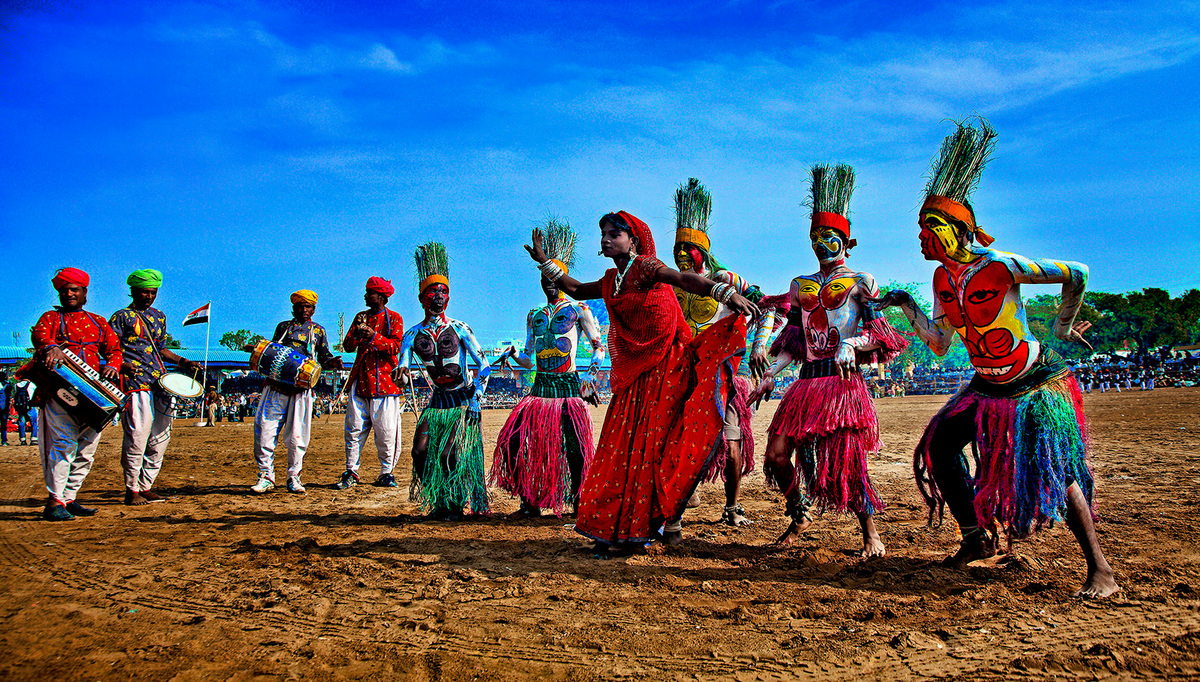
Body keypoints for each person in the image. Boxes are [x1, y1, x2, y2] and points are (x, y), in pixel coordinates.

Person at [872, 118, 1118, 598]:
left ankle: (1101, 569)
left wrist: (1063, 328)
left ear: (960, 231)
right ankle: (975, 538)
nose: (921, 237)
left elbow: (1077, 273)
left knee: (1055, 470)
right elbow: (941, 342)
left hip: (1030, 384)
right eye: (920, 228)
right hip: (985, 386)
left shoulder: (1000, 266)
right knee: (941, 447)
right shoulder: (943, 281)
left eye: (931, 227)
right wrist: (907, 305)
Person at [526, 211, 759, 551]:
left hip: (667, 370)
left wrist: (722, 292)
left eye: (614, 234)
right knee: (620, 449)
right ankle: (618, 528)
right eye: (603, 233)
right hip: (635, 377)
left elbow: (683, 280)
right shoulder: (611, 279)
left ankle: (661, 524)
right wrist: (546, 262)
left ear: (633, 240)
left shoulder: (647, 268)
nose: (606, 239)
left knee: (652, 449)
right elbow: (574, 289)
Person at [749, 164, 908, 557]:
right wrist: (771, 372)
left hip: (841, 385)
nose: (822, 243)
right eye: (816, 236)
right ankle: (798, 511)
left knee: (847, 461)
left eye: (830, 236)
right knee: (776, 454)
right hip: (805, 383)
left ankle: (871, 532)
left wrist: (852, 344)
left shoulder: (860, 281)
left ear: (846, 241)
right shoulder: (798, 285)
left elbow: (879, 334)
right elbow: (793, 341)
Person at [671, 178, 770, 527]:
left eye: (689, 248)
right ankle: (683, 496)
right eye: (677, 247)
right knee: (679, 438)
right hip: (686, 373)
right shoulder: (674, 284)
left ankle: (731, 507)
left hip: (727, 373)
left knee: (729, 442)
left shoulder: (726, 277)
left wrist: (758, 348)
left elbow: (768, 306)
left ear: (704, 251)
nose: (682, 254)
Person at [492, 219, 605, 518]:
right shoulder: (535, 315)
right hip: (539, 389)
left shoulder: (578, 309)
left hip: (568, 388)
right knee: (514, 440)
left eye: (554, 276)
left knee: (574, 449)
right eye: (545, 277)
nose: (550, 283)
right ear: (541, 280)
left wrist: (590, 379)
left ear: (562, 278)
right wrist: (515, 356)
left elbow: (599, 346)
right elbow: (530, 358)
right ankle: (530, 502)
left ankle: (579, 502)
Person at [399, 243, 499, 519]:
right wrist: (402, 372)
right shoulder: (412, 334)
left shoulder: (459, 328)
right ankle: (438, 498)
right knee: (419, 452)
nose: (439, 297)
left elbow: (485, 366)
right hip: (436, 403)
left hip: (462, 401)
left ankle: (454, 502)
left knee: (451, 454)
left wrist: (477, 400)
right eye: (433, 292)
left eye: (444, 292)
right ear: (422, 298)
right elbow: (402, 364)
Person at [20, 268, 123, 521]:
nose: (69, 293)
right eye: (64, 290)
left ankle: (69, 497)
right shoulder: (50, 318)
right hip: (59, 393)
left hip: (95, 396)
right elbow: (40, 337)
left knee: (86, 449)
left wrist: (112, 364)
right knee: (62, 445)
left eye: (74, 289)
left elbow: (115, 349)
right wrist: (52, 348)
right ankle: (55, 501)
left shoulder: (99, 322)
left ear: (85, 293)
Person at [108, 268, 201, 506]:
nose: (148, 296)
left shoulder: (159, 316)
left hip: (160, 379)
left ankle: (146, 484)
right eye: (144, 292)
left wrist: (183, 361)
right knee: (137, 434)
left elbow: (161, 348)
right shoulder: (121, 317)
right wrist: (122, 365)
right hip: (134, 381)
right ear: (133, 291)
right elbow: (110, 348)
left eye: (153, 292)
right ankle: (132, 489)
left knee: (161, 435)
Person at [247, 290, 341, 494]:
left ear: (314, 310)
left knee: (297, 436)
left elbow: (324, 357)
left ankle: (294, 477)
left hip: (302, 389)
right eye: (301, 306)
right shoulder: (283, 328)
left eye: (308, 306)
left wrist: (332, 362)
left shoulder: (318, 331)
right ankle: (266, 475)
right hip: (276, 387)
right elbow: (272, 352)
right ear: (294, 308)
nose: (304, 310)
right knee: (265, 430)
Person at [336, 276, 405, 489]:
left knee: (386, 432)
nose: (366, 296)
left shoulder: (394, 318)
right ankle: (351, 471)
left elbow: (396, 347)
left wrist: (374, 336)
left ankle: (386, 472)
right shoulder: (360, 317)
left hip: (386, 383)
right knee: (353, 430)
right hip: (360, 381)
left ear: (381, 297)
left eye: (370, 293)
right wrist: (358, 333)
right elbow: (347, 346)